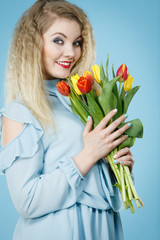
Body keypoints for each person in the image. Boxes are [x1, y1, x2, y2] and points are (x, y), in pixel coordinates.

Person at [0, 0, 134, 239]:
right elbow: (26, 202)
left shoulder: (84, 100)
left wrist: (118, 169)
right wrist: (88, 155)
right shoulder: (20, 111)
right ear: (32, 44)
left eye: (77, 42)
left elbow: (107, 195)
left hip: (104, 229)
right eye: (58, 40)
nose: (71, 53)